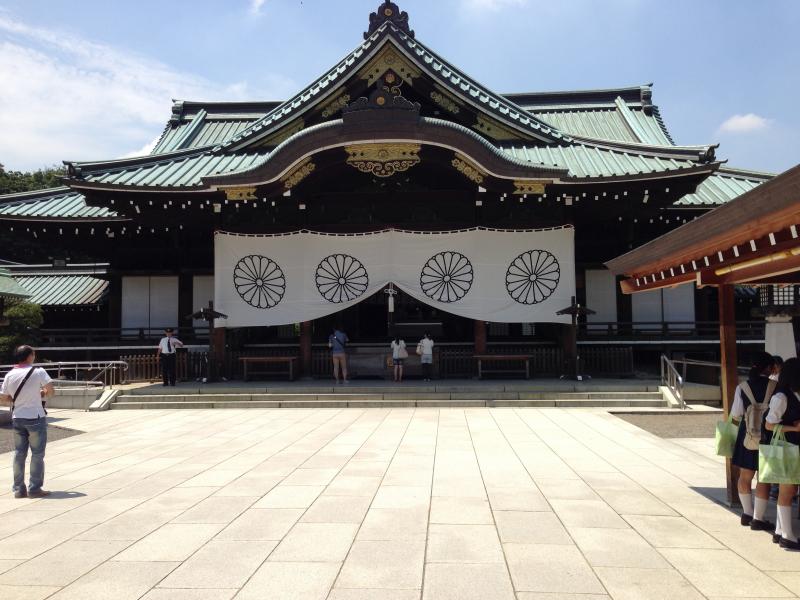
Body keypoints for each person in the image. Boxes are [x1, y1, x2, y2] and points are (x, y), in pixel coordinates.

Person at [0, 345, 54, 499]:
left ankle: (18, 489)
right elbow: (51, 391)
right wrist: (41, 393)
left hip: (17, 417)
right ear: (30, 356)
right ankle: (35, 488)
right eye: (34, 354)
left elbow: (3, 397)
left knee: (19, 453)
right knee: (37, 454)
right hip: (35, 417)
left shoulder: (10, 374)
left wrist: (17, 398)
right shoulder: (39, 372)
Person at [730, 351, 776, 529]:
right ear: (770, 368)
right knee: (764, 478)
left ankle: (747, 513)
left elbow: (736, 414)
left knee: (745, 475)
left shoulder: (742, 387)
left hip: (747, 435)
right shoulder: (775, 386)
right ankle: (758, 518)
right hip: (769, 435)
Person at [764, 357, 800, 550]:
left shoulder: (791, 394)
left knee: (790, 489)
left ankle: (780, 531)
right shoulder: (781, 397)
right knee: (787, 490)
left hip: (792, 447)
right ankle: (787, 535)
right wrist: (794, 429)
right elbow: (769, 425)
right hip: (788, 447)